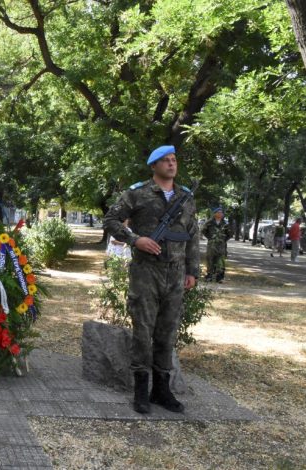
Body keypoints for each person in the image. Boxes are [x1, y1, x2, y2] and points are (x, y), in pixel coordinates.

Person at [103, 145, 199, 415]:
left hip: (176, 274)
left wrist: (192, 271)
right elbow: (110, 220)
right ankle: (140, 390)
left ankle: (161, 389)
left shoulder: (186, 197)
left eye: (174, 160)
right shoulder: (137, 193)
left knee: (167, 333)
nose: (171, 164)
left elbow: (192, 235)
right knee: (143, 333)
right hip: (146, 272)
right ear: (154, 165)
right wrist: (135, 239)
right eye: (165, 161)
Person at [201, 207, 232, 282]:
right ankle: (209, 275)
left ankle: (220, 277)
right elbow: (203, 230)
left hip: (221, 245)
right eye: (218, 212)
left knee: (221, 260)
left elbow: (230, 233)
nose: (220, 214)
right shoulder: (209, 222)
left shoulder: (225, 223)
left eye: (221, 213)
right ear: (214, 214)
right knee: (210, 259)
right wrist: (210, 238)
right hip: (211, 245)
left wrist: (224, 240)